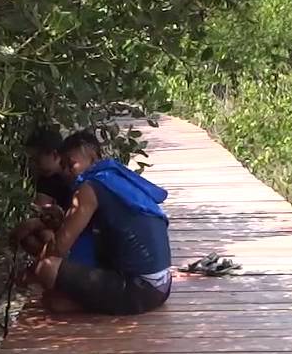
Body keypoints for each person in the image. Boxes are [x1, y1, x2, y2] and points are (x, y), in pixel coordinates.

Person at [30, 131, 172, 315]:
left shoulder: (89, 188)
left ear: (93, 157)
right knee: (54, 297)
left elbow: (58, 248)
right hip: (162, 287)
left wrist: (30, 272)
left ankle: (77, 302)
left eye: (71, 164)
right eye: (63, 165)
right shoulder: (114, 178)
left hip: (141, 289)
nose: (66, 172)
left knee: (47, 268)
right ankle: (77, 302)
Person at [9, 125, 100, 267]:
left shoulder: (81, 181)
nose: (34, 164)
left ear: (55, 155)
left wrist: (39, 225)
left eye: (37, 159)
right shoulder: (47, 180)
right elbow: (41, 212)